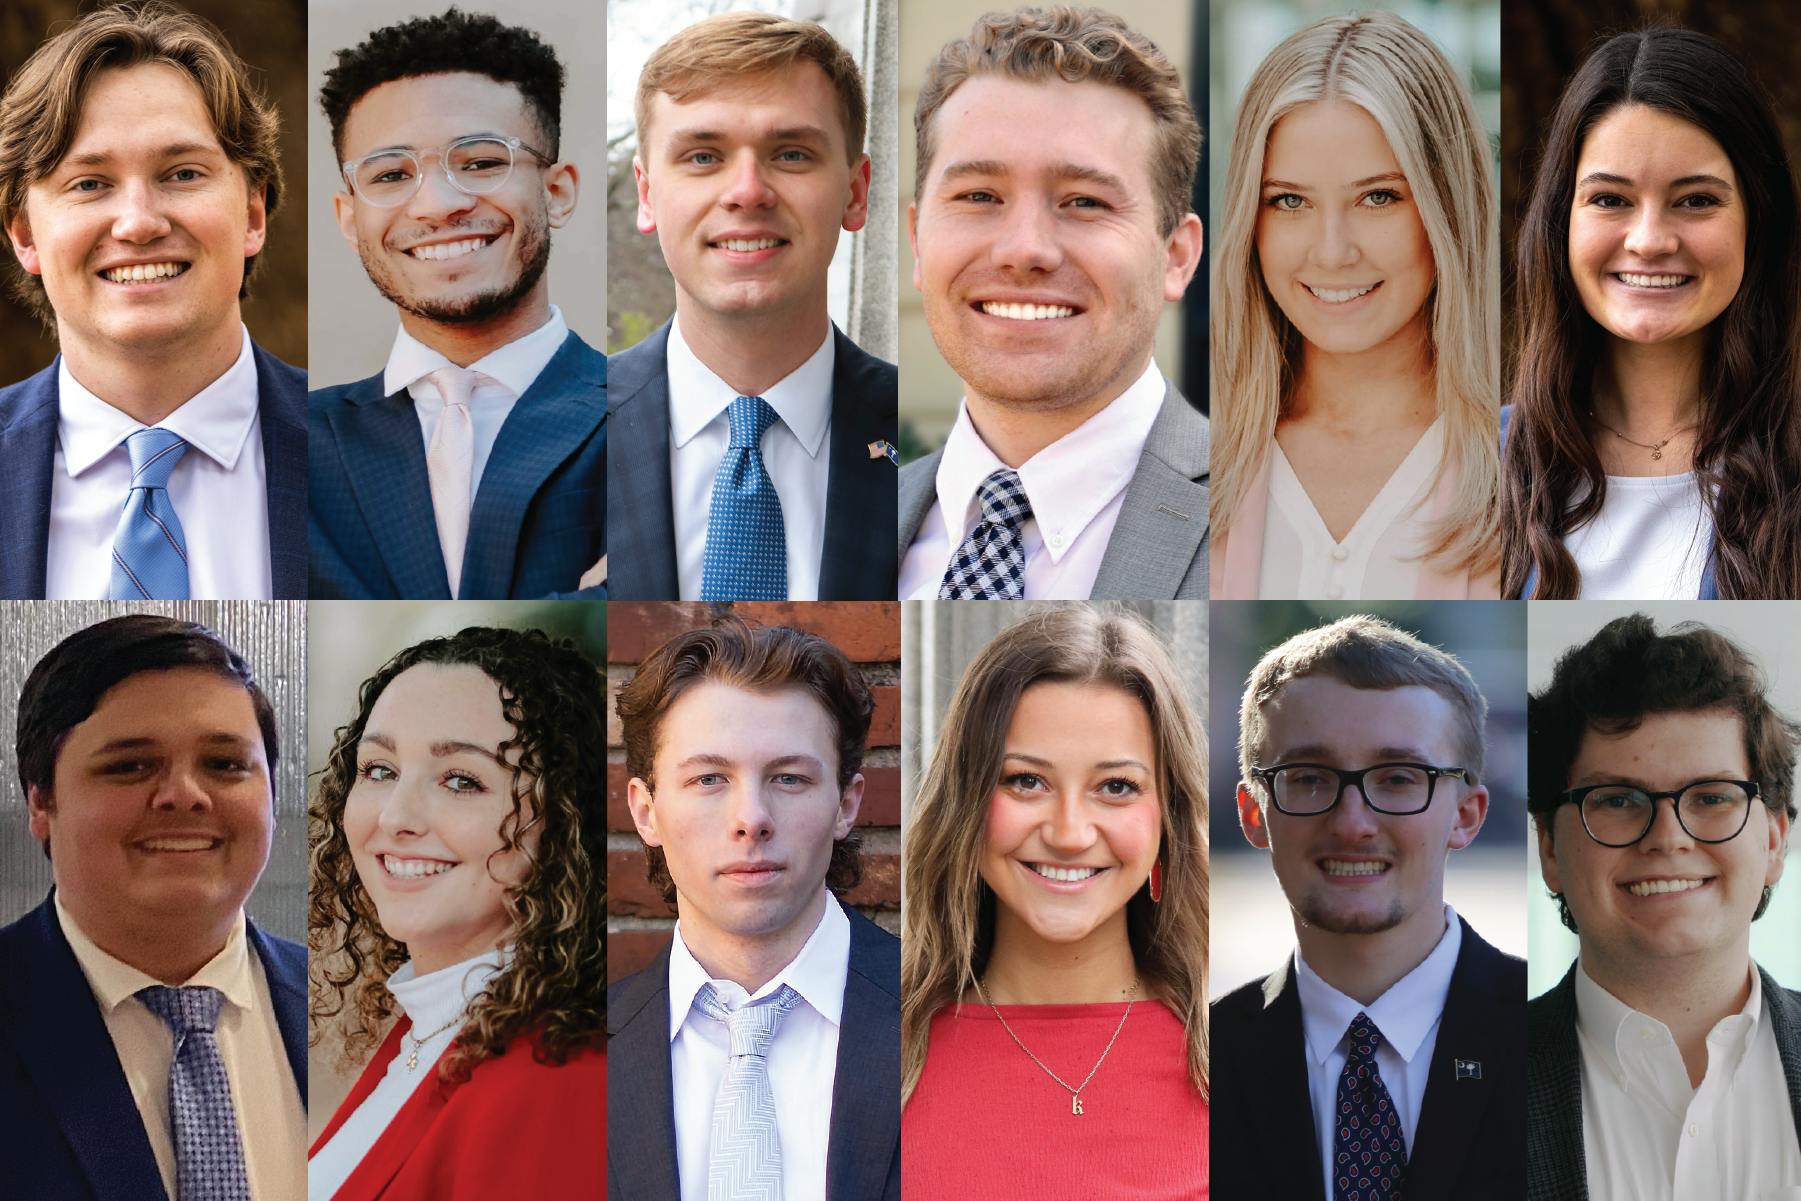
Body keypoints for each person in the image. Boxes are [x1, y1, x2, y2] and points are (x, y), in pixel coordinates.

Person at [897, 7, 1208, 601]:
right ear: (917, 241)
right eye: (980, 196)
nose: (1025, 250)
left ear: (1176, 257)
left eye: (1085, 202)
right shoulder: (849, 518)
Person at [1211, 615, 1524, 1200]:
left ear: (1467, 814)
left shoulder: (1565, 1044)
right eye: (1308, 778)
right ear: (1254, 814)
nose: (1352, 823)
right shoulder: (1199, 1058)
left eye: (1399, 778)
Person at [0, 2, 306, 600]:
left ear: (252, 212)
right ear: (25, 235)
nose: (138, 223)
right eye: (89, 184)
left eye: (183, 174)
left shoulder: (369, 460)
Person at [901, 606, 1209, 1197]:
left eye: (1115, 787)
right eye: (1025, 780)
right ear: (965, 805)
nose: (1069, 833)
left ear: (1166, 820)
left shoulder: (1247, 1057)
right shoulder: (883, 1056)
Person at [0, 614, 305, 1198]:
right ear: (41, 800)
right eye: (130, 766)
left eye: (225, 764)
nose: (184, 796)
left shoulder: (360, 1015)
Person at [309, 8, 605, 600]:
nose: (438, 205)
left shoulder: (648, 414)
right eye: (391, 175)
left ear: (558, 192)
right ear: (349, 218)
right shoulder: (291, 441)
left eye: (481, 163)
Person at [1500, 27, 1801, 599]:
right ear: (1561, 223)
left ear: (1757, 223)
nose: (1649, 240)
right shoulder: (1465, 471)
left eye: (1696, 200)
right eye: (1610, 199)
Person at [307, 626, 606, 1200]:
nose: (396, 816)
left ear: (563, 820)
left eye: (461, 780)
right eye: (379, 770)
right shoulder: (430, 1026)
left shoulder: (562, 1083)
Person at [1209, 12, 1500, 600]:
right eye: (1289, 200)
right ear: (1250, 220)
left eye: (1378, 197)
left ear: (1447, 209)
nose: (1333, 251)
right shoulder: (1190, 463)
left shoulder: (1532, 465)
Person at [608, 617, 899, 1201]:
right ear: (645, 812)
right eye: (709, 778)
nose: (752, 817)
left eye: (789, 778)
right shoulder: (575, 1048)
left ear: (846, 804)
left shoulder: (949, 1010)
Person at [610, 11, 897, 602]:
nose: (747, 192)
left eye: (791, 154)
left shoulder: (926, 446)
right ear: (646, 194)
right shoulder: (567, 433)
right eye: (702, 157)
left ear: (856, 192)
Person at [1525, 615, 1799, 1200]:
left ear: (1774, 842)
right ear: (1550, 846)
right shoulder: (1470, 1077)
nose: (1668, 837)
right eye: (1618, 799)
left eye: (1711, 797)